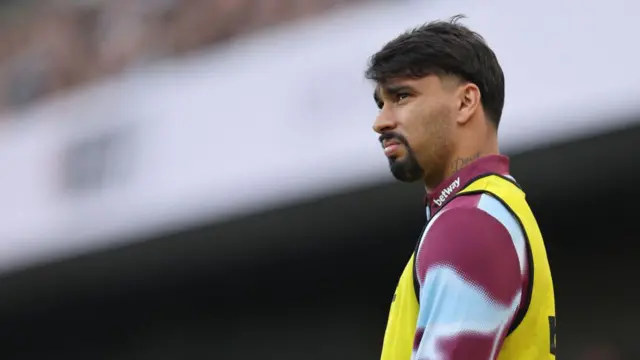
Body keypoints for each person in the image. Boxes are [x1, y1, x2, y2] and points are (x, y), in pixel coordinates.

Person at [366, 16, 556, 360]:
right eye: (382, 103)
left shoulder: (471, 224)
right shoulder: (489, 211)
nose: (381, 122)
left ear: (466, 102)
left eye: (402, 96)